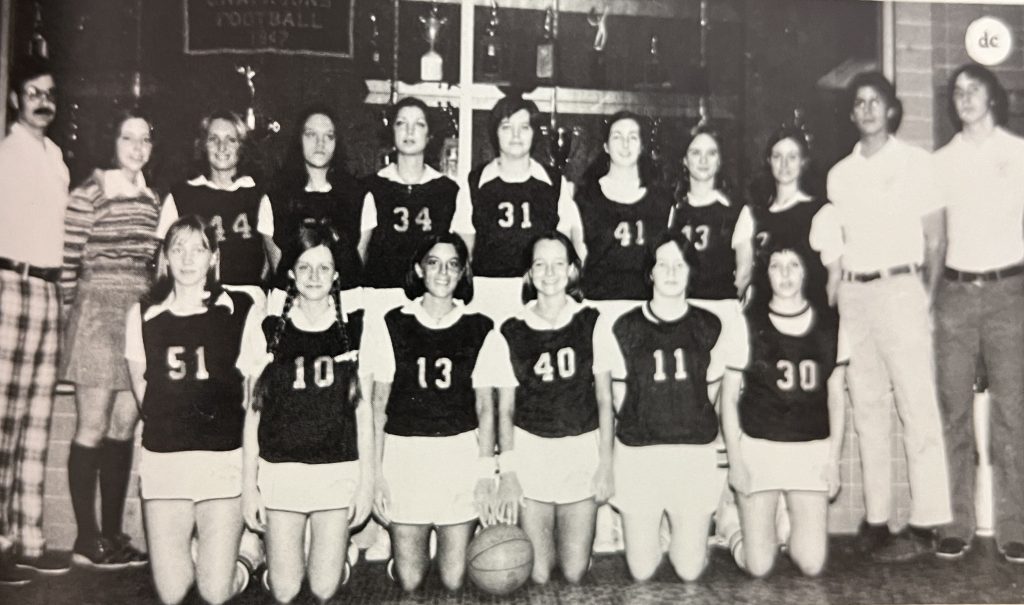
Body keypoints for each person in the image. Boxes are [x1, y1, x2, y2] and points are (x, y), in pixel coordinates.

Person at [827, 71, 951, 561]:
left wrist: (926, 295)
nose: (868, 109)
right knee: (870, 410)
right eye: (859, 102)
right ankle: (878, 519)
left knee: (917, 408)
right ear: (852, 113)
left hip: (903, 288)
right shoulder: (839, 175)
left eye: (876, 101)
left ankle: (929, 520)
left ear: (891, 109)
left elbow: (937, 239)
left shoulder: (917, 162)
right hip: (857, 296)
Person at [125, 216, 265, 604]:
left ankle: (247, 555)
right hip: (166, 460)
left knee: (214, 592)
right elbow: (144, 396)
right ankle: (200, 553)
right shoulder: (141, 315)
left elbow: (254, 401)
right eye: (178, 249)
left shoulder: (240, 309)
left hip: (221, 459)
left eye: (198, 248)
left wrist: (251, 478)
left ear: (213, 258)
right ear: (166, 258)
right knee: (172, 595)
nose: (188, 259)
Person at [595, 232, 747, 582]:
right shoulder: (624, 326)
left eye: (679, 264)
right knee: (642, 570)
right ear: (650, 273)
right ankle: (654, 525)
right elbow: (619, 399)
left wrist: (681, 419)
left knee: (690, 570)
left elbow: (710, 394)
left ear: (690, 271)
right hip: (640, 451)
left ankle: (710, 520)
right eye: (662, 264)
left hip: (691, 452)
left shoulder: (710, 326)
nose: (671, 272)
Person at [242, 222, 373, 603]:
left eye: (323, 268)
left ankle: (337, 553)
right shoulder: (267, 329)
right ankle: (274, 555)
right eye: (304, 267)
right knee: (284, 591)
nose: (314, 276)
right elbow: (253, 416)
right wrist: (249, 487)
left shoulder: (356, 329)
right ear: (290, 275)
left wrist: (365, 483)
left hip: (335, 469)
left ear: (336, 276)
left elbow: (363, 417)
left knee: (323, 588)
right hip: (282, 469)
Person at [362, 233, 498, 592]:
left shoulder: (481, 327)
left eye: (452, 264)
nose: (443, 272)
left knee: (454, 580)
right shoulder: (392, 323)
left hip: (459, 453)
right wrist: (374, 474)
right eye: (433, 263)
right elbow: (377, 407)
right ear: (419, 270)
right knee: (411, 580)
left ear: (462, 272)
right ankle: (410, 553)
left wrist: (486, 474)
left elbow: (486, 407)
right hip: (406, 454)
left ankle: (441, 543)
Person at [932, 64, 1024, 564]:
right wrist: (930, 301)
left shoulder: (1020, 153)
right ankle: (955, 523)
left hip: (1010, 291)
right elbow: (934, 238)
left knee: (1014, 411)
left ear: (993, 96)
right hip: (955, 293)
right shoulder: (941, 162)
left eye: (974, 90)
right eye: (958, 92)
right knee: (953, 411)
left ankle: (1014, 526)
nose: (965, 98)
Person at [60, 107, 160, 568]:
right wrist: (69, 312)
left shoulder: (153, 200)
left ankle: (115, 534)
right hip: (98, 312)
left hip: (136, 315)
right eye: (127, 138)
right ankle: (86, 537)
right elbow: (68, 260)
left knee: (124, 427)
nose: (136, 148)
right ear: (112, 143)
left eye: (144, 139)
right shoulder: (90, 192)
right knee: (93, 426)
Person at [485, 231, 614, 584]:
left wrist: (606, 464)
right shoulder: (509, 329)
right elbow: (506, 411)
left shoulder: (592, 321)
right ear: (528, 273)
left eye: (559, 263)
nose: (550, 272)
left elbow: (605, 399)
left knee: (573, 574)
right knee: (539, 575)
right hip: (532, 451)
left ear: (572, 270)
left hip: (579, 447)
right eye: (540, 264)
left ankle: (575, 545)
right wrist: (508, 472)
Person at [720, 244, 846, 577]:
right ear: (767, 273)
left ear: (806, 272)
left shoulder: (831, 324)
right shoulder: (747, 323)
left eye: (794, 265)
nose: (786, 274)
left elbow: (836, 396)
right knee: (758, 566)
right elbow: (729, 397)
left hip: (809, 447)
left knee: (812, 563)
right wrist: (736, 463)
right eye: (777, 266)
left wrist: (833, 461)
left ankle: (784, 520)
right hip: (761, 447)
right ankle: (731, 522)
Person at [0, 55, 72, 583]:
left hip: (47, 293)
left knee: (36, 421)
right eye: (33, 92)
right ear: (14, 100)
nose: (42, 101)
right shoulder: (5, 155)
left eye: (49, 92)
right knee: (2, 420)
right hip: (7, 285)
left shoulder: (56, 157)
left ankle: (26, 539)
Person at [453, 96, 584, 323]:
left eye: (524, 127)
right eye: (507, 127)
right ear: (495, 133)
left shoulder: (554, 183)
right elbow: (465, 252)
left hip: (541, 292)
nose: (515, 136)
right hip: (488, 293)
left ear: (534, 134)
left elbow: (566, 245)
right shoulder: (475, 182)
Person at [156, 110, 270, 304]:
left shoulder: (258, 194)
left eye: (231, 140)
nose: (221, 146)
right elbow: (162, 261)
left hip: (248, 300)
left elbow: (269, 260)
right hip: (195, 300)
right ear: (202, 145)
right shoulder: (181, 195)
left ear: (241, 146)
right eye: (213, 139)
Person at [363, 96, 459, 316]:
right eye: (401, 123)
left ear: (429, 135)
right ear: (392, 132)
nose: (409, 131)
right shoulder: (371, 188)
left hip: (430, 300)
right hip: (380, 298)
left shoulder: (447, 191)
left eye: (419, 124)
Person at [265, 105, 371, 293]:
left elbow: (356, 267)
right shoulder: (275, 199)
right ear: (299, 140)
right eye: (311, 134)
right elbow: (279, 271)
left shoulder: (359, 197)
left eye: (328, 136)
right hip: (291, 305)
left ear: (337, 143)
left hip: (346, 304)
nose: (320, 143)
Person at [576, 110, 672, 315]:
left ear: (642, 146)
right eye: (617, 137)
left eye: (633, 137)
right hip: (598, 306)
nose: (625, 145)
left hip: (647, 308)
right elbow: (578, 257)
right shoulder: (586, 197)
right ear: (606, 146)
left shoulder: (661, 199)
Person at [749, 126, 842, 312]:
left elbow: (835, 276)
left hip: (807, 327)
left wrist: (822, 327)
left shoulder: (821, 212)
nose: (784, 164)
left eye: (792, 157)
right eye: (777, 157)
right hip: (766, 324)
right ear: (769, 161)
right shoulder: (757, 214)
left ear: (803, 162)